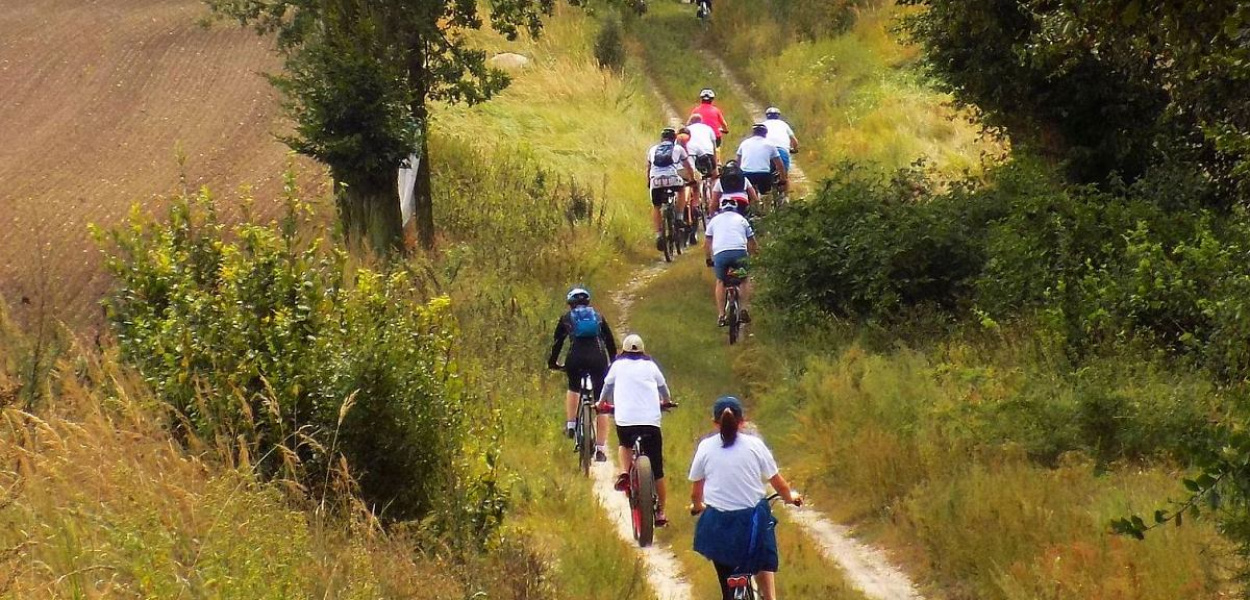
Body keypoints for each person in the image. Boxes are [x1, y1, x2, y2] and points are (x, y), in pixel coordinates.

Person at [690, 396, 802, 600]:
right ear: (742, 421)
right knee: (762, 553)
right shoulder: (755, 445)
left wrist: (698, 505)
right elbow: (779, 484)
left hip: (719, 525)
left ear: (715, 423)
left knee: (726, 580)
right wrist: (789, 498)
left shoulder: (705, 447)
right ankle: (770, 597)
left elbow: (696, 491)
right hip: (752, 522)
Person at [599, 334, 673, 526]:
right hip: (651, 423)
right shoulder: (650, 366)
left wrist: (601, 403)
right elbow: (663, 387)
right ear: (642, 350)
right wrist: (666, 401)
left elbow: (607, 385)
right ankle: (661, 512)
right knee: (657, 470)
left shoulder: (618, 365)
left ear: (623, 350)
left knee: (625, 444)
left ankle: (624, 473)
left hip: (626, 421)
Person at [548, 287, 617, 462]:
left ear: (570, 304)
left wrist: (553, 363)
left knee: (573, 387)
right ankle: (601, 449)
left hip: (575, 358)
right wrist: (613, 363)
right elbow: (609, 342)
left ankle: (571, 425)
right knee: (601, 402)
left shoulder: (566, 318)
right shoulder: (598, 316)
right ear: (588, 302)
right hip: (598, 359)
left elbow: (557, 343)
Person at [704, 197, 757, 326]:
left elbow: (707, 243)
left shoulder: (714, 220)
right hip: (739, 253)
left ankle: (722, 315)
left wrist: (708, 259)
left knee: (721, 281)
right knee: (743, 278)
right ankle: (743, 309)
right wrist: (754, 256)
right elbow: (752, 242)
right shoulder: (742, 220)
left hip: (721, 254)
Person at [647, 127, 695, 251]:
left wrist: (649, 182)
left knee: (657, 207)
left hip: (655, 181)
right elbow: (688, 166)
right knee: (681, 189)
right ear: (674, 139)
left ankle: (658, 234)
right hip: (672, 178)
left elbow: (648, 168)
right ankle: (679, 217)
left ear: (661, 139)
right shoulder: (678, 148)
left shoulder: (652, 149)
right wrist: (692, 179)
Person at [736, 123, 787, 196]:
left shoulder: (744, 143)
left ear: (753, 133)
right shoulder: (770, 144)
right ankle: (766, 202)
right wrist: (783, 178)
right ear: (765, 134)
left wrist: (738, 174)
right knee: (766, 195)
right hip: (763, 174)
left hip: (747, 173)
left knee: (748, 195)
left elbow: (737, 162)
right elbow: (779, 164)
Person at [762, 107, 799, 173]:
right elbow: (794, 140)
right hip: (782, 149)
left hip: (766, 150)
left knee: (765, 173)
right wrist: (795, 149)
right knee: (784, 176)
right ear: (778, 116)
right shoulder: (784, 124)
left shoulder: (763, 124)